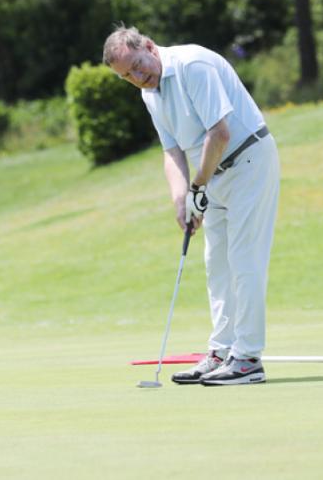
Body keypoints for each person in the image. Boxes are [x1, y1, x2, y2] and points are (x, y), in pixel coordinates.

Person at [102, 26, 280, 386]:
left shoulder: (192, 64)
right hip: (212, 175)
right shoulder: (150, 94)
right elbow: (172, 151)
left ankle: (247, 359)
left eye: (138, 65)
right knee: (217, 265)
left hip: (248, 163)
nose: (138, 78)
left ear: (150, 47)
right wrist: (182, 198)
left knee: (244, 260)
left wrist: (198, 185)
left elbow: (220, 132)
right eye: (127, 76)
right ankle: (221, 351)